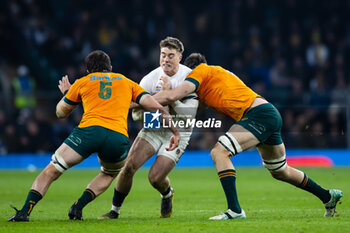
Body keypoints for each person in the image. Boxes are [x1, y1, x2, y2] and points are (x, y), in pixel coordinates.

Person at [154, 52, 343, 220]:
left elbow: (173, 96)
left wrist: (144, 100)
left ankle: (234, 210)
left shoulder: (201, 71)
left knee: (219, 152)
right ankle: (328, 196)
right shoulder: (216, 78)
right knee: (280, 170)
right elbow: (189, 111)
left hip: (257, 115)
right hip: (267, 113)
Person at [8, 50, 180, 222]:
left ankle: (24, 212)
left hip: (88, 132)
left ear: (88, 71)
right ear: (110, 68)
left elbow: (60, 112)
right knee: (108, 174)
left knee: (51, 171)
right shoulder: (127, 82)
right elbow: (155, 107)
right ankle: (78, 206)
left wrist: (69, 94)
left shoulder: (83, 82)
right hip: (117, 137)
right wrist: (175, 132)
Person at [99, 37, 198, 219]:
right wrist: (146, 109)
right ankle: (114, 211)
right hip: (153, 128)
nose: (166, 59)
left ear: (180, 57)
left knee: (155, 178)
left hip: (179, 132)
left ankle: (167, 193)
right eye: (163, 55)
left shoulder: (189, 77)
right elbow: (135, 113)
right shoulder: (149, 79)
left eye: (171, 56)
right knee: (128, 167)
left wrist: (169, 96)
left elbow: (189, 115)